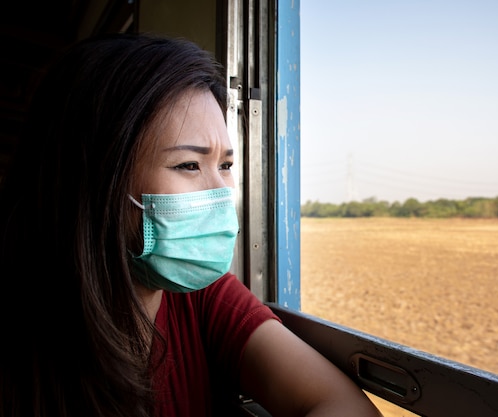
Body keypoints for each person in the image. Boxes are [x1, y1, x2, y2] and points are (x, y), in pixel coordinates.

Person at [0, 33, 382, 417]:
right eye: (188, 165)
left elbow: (341, 403)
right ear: (96, 179)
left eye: (226, 166)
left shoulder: (203, 298)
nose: (221, 193)